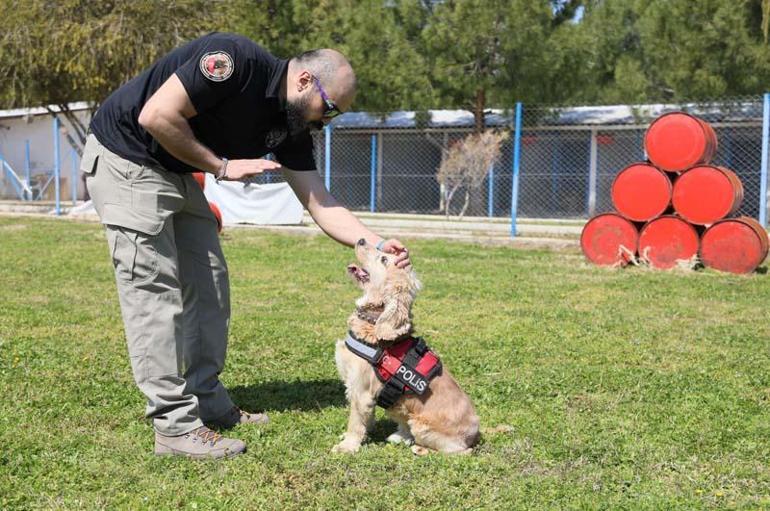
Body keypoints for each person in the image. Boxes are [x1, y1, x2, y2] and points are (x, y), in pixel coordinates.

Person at [81, 32, 410, 459]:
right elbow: (156, 116)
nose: (326, 122)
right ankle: (174, 426)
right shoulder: (234, 62)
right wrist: (222, 166)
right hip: (126, 156)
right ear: (305, 80)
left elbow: (320, 203)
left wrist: (378, 243)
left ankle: (207, 399)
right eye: (328, 109)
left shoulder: (291, 126)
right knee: (153, 293)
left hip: (175, 170)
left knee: (211, 284)